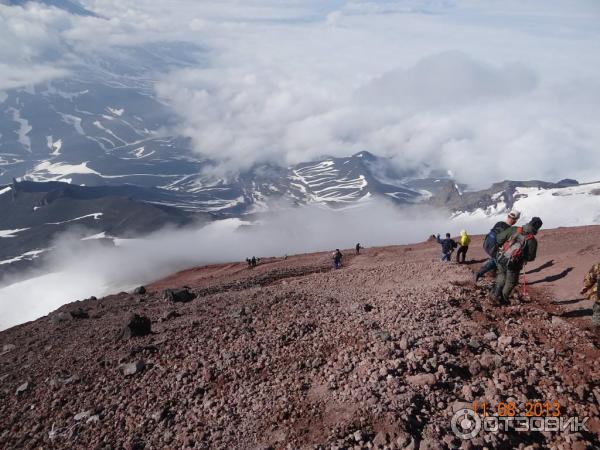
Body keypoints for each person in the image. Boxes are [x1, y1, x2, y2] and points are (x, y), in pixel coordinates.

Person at [493, 217, 542, 305]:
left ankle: (495, 295)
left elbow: (499, 238)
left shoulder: (514, 229)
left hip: (502, 258)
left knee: (501, 275)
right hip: (514, 264)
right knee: (511, 282)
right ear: (537, 228)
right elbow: (531, 257)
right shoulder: (532, 240)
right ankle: (503, 300)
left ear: (529, 222)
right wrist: (523, 257)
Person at [475, 210, 521, 282]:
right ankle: (479, 273)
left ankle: (492, 273)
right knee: (498, 260)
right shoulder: (509, 230)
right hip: (493, 248)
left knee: (496, 257)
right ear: (515, 220)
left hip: (486, 243)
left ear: (508, 216)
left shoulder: (499, 223)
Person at [580, 262, 600, 329]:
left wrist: (586, 286)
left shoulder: (598, 266)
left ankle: (597, 329)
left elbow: (589, 279)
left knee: (597, 312)